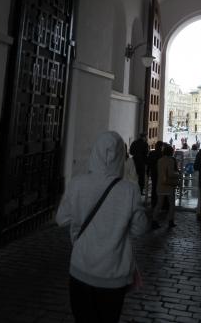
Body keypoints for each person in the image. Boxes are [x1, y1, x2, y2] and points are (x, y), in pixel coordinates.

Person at [56, 131, 148, 323]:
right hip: (113, 275)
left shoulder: (77, 184)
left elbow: (61, 219)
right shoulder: (129, 190)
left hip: (81, 268)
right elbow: (140, 229)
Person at [152, 144, 179, 229]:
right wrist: (178, 174)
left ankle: (154, 220)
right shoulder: (171, 160)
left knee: (159, 204)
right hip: (169, 185)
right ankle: (170, 221)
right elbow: (171, 174)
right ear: (171, 152)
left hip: (160, 184)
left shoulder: (159, 160)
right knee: (171, 204)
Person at [146, 140, 163, 208]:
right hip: (160, 173)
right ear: (161, 147)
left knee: (154, 187)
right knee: (160, 188)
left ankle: (153, 203)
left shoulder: (152, 153)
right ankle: (159, 203)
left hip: (153, 172)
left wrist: (148, 171)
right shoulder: (162, 154)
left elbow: (148, 162)